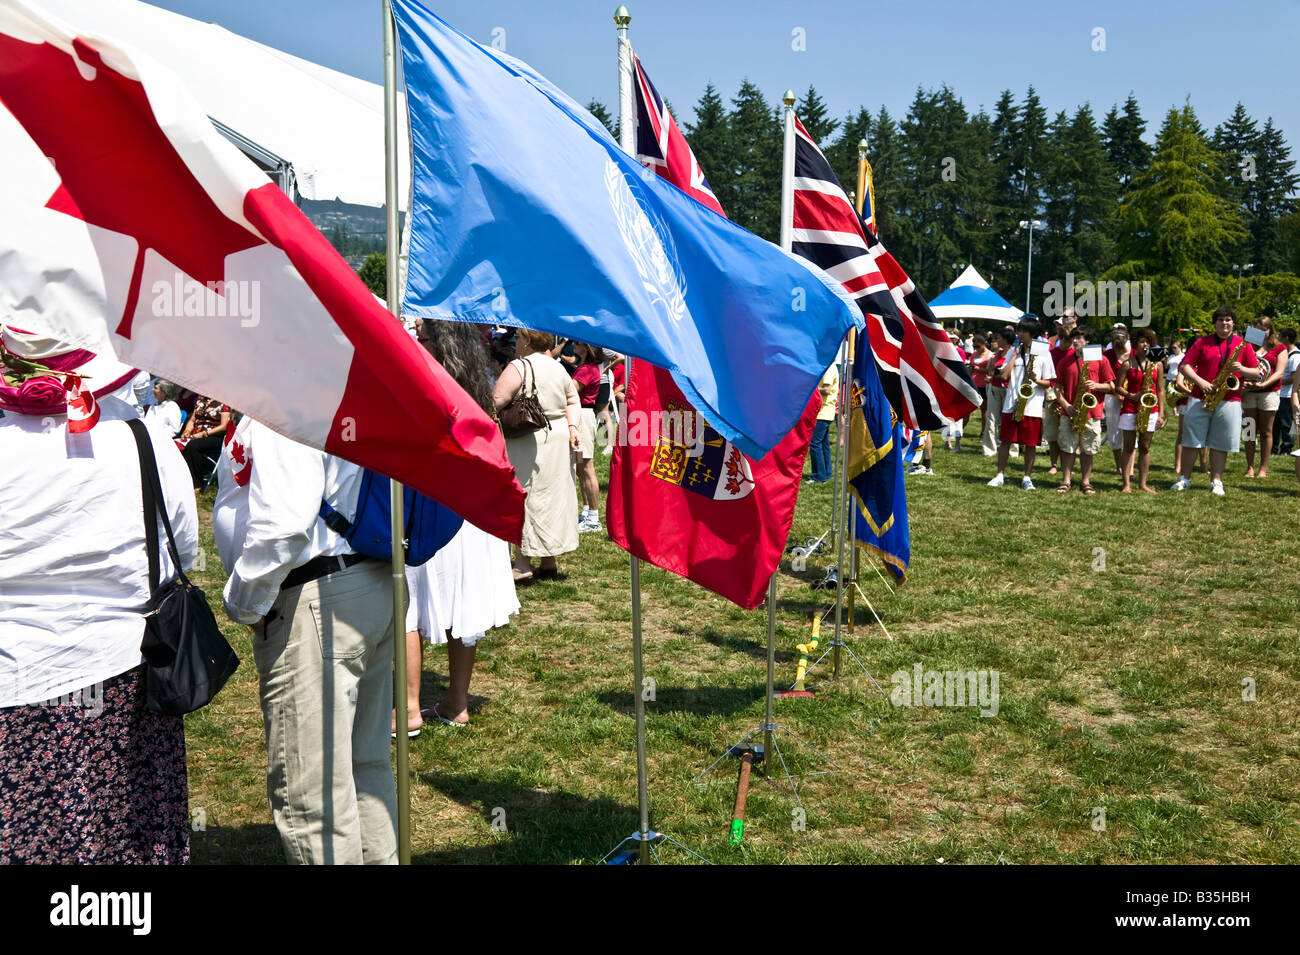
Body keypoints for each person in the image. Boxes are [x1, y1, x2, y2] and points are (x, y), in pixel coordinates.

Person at [0, 326, 196, 864]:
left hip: (21, 679)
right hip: (126, 671)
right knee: (130, 842)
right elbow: (184, 548)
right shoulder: (142, 439)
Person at [219, 420, 399, 865]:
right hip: (366, 580)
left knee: (314, 791)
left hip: (320, 594)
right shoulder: (331, 381)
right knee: (363, 765)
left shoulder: (284, 398)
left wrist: (246, 601)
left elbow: (284, 524)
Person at [396, 321, 519, 735]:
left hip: (435, 509)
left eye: (422, 336)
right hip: (471, 513)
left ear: (440, 342)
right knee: (460, 605)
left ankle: (411, 707)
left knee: (408, 605)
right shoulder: (479, 388)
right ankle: (456, 702)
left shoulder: (427, 385)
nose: (415, 341)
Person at [493, 329, 581, 581]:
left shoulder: (518, 366)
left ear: (528, 341)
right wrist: (573, 427)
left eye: (519, 338)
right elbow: (573, 400)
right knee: (552, 497)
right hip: (558, 437)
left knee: (526, 496)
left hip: (527, 439)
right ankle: (549, 560)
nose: (516, 342)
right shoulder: (557, 367)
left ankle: (522, 564)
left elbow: (496, 401)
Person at [1170, 305, 1263, 496]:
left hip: (1230, 399)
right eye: (1220, 320)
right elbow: (1185, 365)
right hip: (1199, 396)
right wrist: (1200, 382)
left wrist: (1242, 369)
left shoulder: (1242, 345)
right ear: (1215, 323)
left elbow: (1257, 373)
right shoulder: (1202, 342)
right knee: (1191, 440)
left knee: (1221, 442)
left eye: (1228, 319)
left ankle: (1216, 481)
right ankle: (1184, 479)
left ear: (1233, 323)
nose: (1224, 323)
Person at [988, 317, 1056, 490]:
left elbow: (1049, 382)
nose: (1019, 334)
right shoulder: (1014, 351)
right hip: (1012, 402)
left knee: (1030, 444)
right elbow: (1003, 375)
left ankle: (1027, 477)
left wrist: (1036, 380)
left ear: (1032, 334)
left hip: (1032, 404)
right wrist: (1015, 355)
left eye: (1023, 331)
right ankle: (1000, 474)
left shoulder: (1044, 353)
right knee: (1005, 440)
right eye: (1019, 330)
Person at [1052, 324, 1114, 494]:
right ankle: (1066, 480)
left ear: (1088, 341)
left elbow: (1111, 385)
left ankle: (1086, 482)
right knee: (1067, 448)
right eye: (1074, 337)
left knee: (1088, 449)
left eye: (1080, 338)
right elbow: (1057, 386)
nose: (1076, 341)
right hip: (1070, 411)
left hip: (1091, 412)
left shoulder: (1101, 359)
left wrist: (1096, 385)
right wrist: (1065, 405)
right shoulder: (1066, 361)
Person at [1116, 328, 1166, 493]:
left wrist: (1161, 414)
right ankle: (1126, 484)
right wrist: (1132, 396)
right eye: (1141, 341)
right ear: (1135, 344)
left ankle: (1143, 483)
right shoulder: (1127, 364)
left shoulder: (1157, 364)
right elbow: (1118, 388)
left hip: (1150, 409)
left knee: (1145, 447)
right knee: (1129, 446)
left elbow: (1160, 390)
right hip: (1130, 408)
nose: (1145, 345)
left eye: (1148, 342)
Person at [1242, 315, 1287, 479]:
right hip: (1249, 392)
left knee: (1267, 432)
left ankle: (1263, 469)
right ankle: (1250, 467)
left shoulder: (1279, 348)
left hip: (1269, 392)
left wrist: (1263, 384)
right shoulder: (1248, 345)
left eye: (1264, 329)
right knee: (1249, 430)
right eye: (1257, 329)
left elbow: (1280, 372)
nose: (1261, 332)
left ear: (1270, 330)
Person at [570, 342, 604, 533]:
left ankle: (593, 517)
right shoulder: (585, 367)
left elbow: (570, 390)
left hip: (582, 415)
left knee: (587, 468)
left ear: (587, 348)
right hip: (581, 414)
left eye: (577, 342)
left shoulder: (587, 369)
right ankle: (586, 512)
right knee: (581, 468)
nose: (573, 344)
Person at [1043, 309, 1078, 475]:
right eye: (1063, 340)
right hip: (1052, 396)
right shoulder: (1052, 354)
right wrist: (1053, 399)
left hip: (1070, 397)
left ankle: (1068, 465)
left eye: (1069, 340)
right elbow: (1049, 378)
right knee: (1051, 433)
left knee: (1068, 433)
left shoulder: (1076, 354)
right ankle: (1054, 464)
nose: (1066, 344)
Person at [179, 393, 230, 492]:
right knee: (177, 443)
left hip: (215, 436)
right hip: (195, 435)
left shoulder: (224, 402)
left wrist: (204, 434)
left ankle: (197, 483)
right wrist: (187, 431)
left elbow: (224, 426)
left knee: (193, 446)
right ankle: (183, 479)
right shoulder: (201, 399)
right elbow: (192, 420)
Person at [1102, 323, 1130, 476]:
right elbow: (1106, 376)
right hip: (1112, 397)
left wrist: (1126, 394)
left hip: (1130, 397)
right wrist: (1116, 391)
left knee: (1130, 432)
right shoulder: (1108, 355)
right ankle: (1119, 466)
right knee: (1114, 432)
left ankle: (1129, 468)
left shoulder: (1133, 355)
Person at [984, 328, 1015, 458]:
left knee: (1010, 420)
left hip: (1009, 389)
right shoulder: (996, 354)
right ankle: (989, 449)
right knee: (991, 419)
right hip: (995, 388)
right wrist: (991, 374)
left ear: (1006, 339)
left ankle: (1013, 449)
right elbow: (990, 371)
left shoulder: (1015, 353)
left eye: (999, 338)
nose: (997, 341)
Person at [809, 361, 838, 482]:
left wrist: (811, 388)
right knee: (823, 444)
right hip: (825, 412)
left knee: (815, 443)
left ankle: (818, 475)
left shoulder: (829, 367)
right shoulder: (830, 366)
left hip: (823, 412)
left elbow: (827, 389)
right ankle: (826, 473)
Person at [1276, 328, 1300, 456]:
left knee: (1287, 423)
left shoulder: (1295, 356)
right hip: (1281, 394)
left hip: (1288, 395)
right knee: (1277, 423)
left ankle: (1287, 447)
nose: (1277, 337)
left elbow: (1294, 378)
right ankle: (1275, 447)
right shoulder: (1286, 353)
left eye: (1279, 335)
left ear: (1286, 338)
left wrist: (1277, 381)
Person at [968, 334, 993, 453]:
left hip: (983, 384)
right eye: (974, 346)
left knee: (984, 410)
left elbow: (990, 370)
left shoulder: (989, 355)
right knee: (968, 408)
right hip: (973, 383)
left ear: (983, 344)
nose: (976, 348)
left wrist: (979, 369)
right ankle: (959, 431)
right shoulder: (974, 354)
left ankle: (983, 432)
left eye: (978, 346)